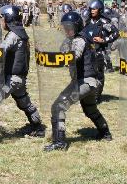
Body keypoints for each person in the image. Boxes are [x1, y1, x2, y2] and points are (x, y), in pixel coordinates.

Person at [0, 5, 44, 147]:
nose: (1, 21)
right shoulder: (20, 32)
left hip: (12, 78)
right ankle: (38, 127)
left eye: (3, 18)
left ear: (9, 19)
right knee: (24, 102)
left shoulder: (13, 35)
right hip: (18, 77)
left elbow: (1, 51)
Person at [44, 12, 112, 151]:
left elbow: (75, 55)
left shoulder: (79, 40)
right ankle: (105, 133)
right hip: (90, 82)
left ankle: (59, 142)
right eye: (65, 27)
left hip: (85, 81)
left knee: (58, 106)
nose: (67, 30)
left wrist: (59, 58)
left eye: (69, 27)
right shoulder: (76, 38)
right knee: (90, 109)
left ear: (77, 27)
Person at [81, 0, 119, 101]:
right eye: (91, 9)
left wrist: (104, 40)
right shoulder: (88, 21)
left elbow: (116, 33)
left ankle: (97, 96)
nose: (92, 11)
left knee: (98, 75)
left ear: (100, 9)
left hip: (99, 53)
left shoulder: (104, 22)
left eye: (94, 9)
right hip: (88, 52)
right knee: (87, 74)